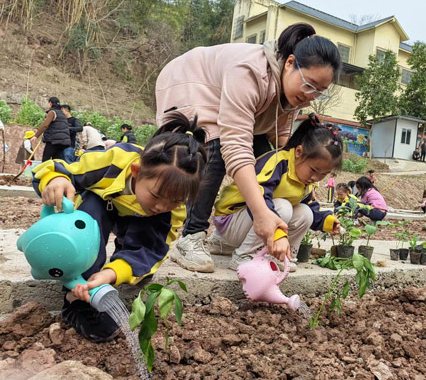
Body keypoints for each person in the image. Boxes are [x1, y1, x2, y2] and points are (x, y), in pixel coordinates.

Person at [155, 23, 342, 272]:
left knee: (267, 158)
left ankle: (226, 241)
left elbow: (281, 140)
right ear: (289, 63)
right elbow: (235, 147)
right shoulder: (249, 72)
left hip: (234, 104)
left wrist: (300, 171)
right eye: (310, 84)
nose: (311, 96)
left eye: (320, 91)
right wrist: (262, 213)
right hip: (191, 82)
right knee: (216, 147)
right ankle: (191, 236)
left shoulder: (295, 91)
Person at [32, 112, 207, 342]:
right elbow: (62, 170)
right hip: (99, 210)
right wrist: (55, 180)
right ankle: (75, 299)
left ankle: (113, 265)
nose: (162, 205)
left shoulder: (169, 212)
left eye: (176, 201)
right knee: (92, 210)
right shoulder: (114, 161)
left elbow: (153, 250)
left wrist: (112, 273)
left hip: (137, 225)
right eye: (156, 195)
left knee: (140, 267)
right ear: (136, 172)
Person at [207, 115, 341, 272]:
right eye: (314, 170)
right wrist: (277, 233)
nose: (315, 178)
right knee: (283, 207)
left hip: (255, 225)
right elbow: (259, 196)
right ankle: (244, 255)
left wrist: (326, 221)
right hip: (231, 220)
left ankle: (279, 256)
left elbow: (309, 205)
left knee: (306, 213)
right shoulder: (278, 162)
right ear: (299, 152)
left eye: (323, 174)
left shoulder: (305, 180)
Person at [31, 97, 71, 162]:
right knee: (57, 161)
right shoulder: (62, 114)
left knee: (45, 160)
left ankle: (44, 172)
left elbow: (45, 125)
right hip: (63, 142)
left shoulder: (52, 112)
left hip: (53, 141)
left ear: (50, 103)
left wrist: (36, 136)